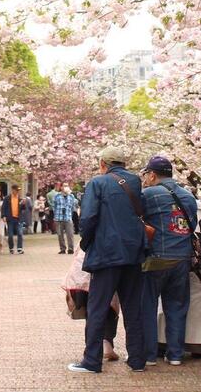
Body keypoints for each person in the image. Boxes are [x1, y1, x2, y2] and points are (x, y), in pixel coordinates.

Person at [68, 147, 147, 374]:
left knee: (97, 307)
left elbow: (89, 217)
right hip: (133, 253)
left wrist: (85, 243)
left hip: (106, 253)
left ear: (103, 163)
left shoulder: (97, 183)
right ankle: (137, 360)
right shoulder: (135, 182)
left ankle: (92, 361)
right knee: (133, 307)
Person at [139, 156, 198, 366]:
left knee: (148, 305)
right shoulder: (188, 196)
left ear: (152, 175)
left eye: (146, 175)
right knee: (177, 306)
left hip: (156, 257)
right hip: (182, 257)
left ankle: (148, 354)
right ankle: (175, 354)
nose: (145, 179)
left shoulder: (148, 194)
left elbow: (138, 218)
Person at [54, 183, 78, 254]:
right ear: (61, 187)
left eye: (67, 186)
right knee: (60, 235)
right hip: (59, 218)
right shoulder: (57, 196)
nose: (66, 187)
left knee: (70, 234)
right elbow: (54, 206)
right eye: (64, 186)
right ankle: (62, 249)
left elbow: (73, 206)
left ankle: (70, 249)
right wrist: (56, 216)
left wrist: (70, 215)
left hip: (68, 217)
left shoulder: (71, 196)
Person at [2, 185, 26, 254]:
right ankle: (11, 248)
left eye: (18, 190)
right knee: (10, 235)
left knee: (20, 233)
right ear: (13, 190)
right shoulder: (7, 198)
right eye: (16, 190)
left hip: (18, 219)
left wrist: (24, 204)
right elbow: (3, 208)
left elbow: (23, 209)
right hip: (10, 219)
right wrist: (3, 216)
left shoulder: (20, 199)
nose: (17, 191)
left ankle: (19, 248)